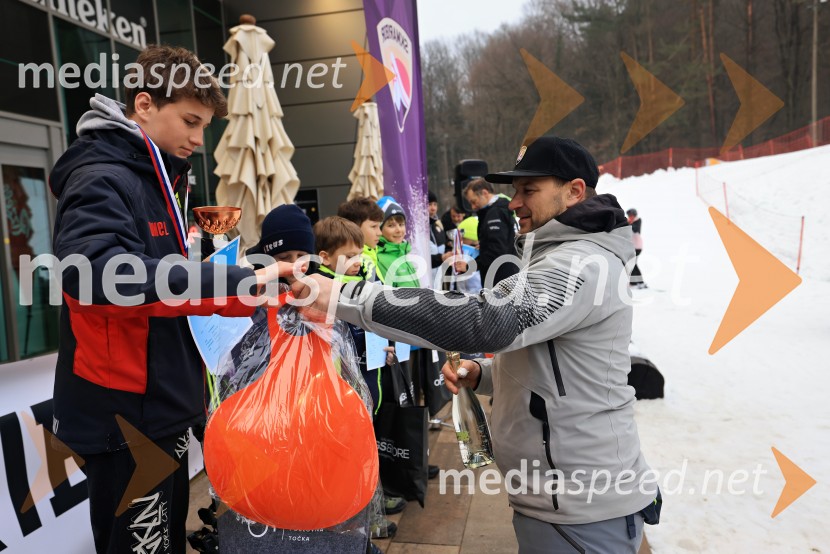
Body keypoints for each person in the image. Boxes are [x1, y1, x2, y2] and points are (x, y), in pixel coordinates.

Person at [294, 136, 660, 553]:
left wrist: (343, 295)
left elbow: (486, 321)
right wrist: (484, 374)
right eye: (514, 190)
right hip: (557, 503)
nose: (514, 202)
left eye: (529, 190)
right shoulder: (557, 253)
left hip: (584, 509)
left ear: (574, 191)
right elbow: (552, 362)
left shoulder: (581, 262)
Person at [49, 45, 295, 554]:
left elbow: (172, 289)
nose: (198, 139)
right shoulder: (103, 177)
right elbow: (95, 276)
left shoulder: (159, 179)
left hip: (163, 411)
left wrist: (255, 288)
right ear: (143, 105)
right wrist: (229, 276)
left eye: (204, 125)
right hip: (127, 419)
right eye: (189, 121)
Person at [463, 177, 519, 286]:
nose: (473, 207)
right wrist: (484, 245)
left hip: (500, 277)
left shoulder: (495, 213)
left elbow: (497, 251)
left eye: (474, 201)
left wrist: (470, 266)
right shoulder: (495, 210)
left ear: (484, 193)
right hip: (504, 274)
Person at [375, 196, 420, 288]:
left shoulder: (403, 252)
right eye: (391, 225)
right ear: (380, 229)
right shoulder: (379, 259)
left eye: (401, 224)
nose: (399, 230)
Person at [337, 197, 385, 283]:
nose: (380, 233)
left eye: (379, 226)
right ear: (354, 227)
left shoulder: (372, 253)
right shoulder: (353, 264)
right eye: (374, 226)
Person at [627, 208, 647, 288]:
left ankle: (637, 282)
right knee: (632, 264)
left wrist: (629, 223)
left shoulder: (638, 220)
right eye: (629, 215)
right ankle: (636, 282)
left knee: (632, 264)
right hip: (632, 246)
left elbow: (636, 230)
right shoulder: (629, 222)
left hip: (637, 246)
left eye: (631, 215)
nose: (629, 216)